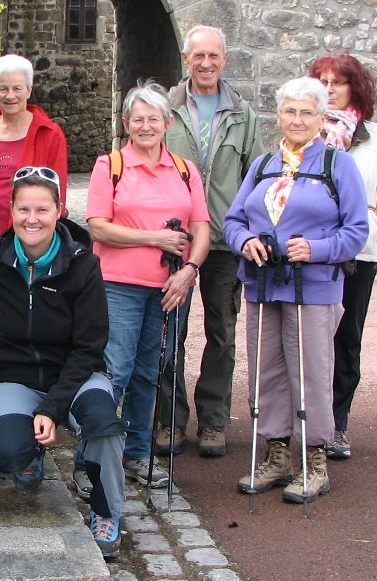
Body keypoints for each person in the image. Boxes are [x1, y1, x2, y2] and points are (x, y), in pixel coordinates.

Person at [0, 167, 127, 555]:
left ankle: (106, 510)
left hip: (77, 375)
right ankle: (29, 456)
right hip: (16, 375)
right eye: (23, 209)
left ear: (59, 211)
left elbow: (90, 347)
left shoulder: (83, 265)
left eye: (42, 210)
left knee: (103, 424)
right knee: (4, 452)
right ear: (10, 210)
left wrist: (51, 408)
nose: (32, 219)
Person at [224, 76, 368, 503]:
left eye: (307, 112)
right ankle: (277, 453)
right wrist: (244, 241)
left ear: (322, 118)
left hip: (314, 287)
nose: (298, 119)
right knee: (266, 371)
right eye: (290, 111)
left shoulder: (337, 165)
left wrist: (318, 248)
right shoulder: (264, 164)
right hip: (264, 283)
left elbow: (356, 230)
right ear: (279, 116)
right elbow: (233, 221)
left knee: (311, 372)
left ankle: (316, 461)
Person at [85, 80, 210, 493]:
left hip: (172, 287)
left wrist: (189, 269)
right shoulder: (111, 166)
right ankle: (93, 458)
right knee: (115, 370)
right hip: (119, 285)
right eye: (137, 119)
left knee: (150, 372)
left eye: (153, 118)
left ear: (167, 122)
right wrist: (154, 238)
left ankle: (138, 453)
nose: (145, 126)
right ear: (126, 124)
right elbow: (99, 227)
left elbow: (201, 228)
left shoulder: (184, 169)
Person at [160, 25, 263, 458]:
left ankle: (214, 420)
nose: (206, 63)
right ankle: (169, 420)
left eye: (213, 56)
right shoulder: (164, 108)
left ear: (224, 59)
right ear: (186, 59)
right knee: (170, 330)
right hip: (175, 239)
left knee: (221, 331)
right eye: (198, 55)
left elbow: (257, 178)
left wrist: (253, 231)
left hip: (224, 238)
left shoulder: (243, 113)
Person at [308, 52, 377, 459]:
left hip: (360, 255)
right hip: (314, 253)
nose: (330, 90)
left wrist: (375, 226)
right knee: (311, 339)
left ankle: (337, 423)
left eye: (339, 82)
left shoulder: (376, 137)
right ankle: (308, 420)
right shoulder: (306, 132)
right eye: (324, 81)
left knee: (347, 337)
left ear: (355, 88)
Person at [0, 54, 68, 253]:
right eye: (3, 88)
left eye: (17, 88)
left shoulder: (50, 134)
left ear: (28, 90)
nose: (10, 95)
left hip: (31, 241)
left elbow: (58, 198)